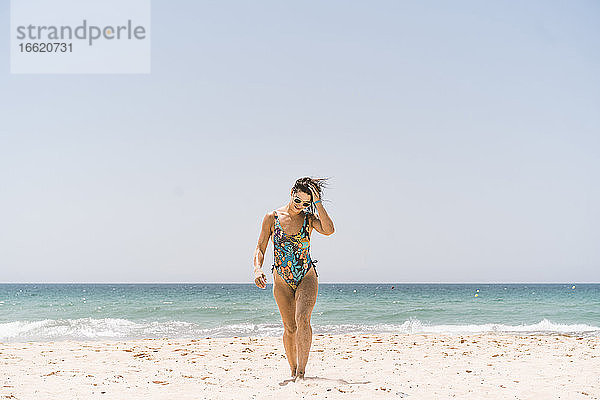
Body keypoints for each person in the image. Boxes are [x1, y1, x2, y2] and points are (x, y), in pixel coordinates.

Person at [252, 177, 335, 380]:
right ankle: (292, 369)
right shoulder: (272, 217)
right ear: (291, 192)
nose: (300, 206)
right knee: (290, 327)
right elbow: (260, 247)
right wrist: (257, 269)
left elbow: (329, 230)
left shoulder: (309, 218)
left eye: (306, 203)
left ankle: (301, 373)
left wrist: (317, 204)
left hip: (306, 276)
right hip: (281, 280)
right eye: (298, 200)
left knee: (303, 319)